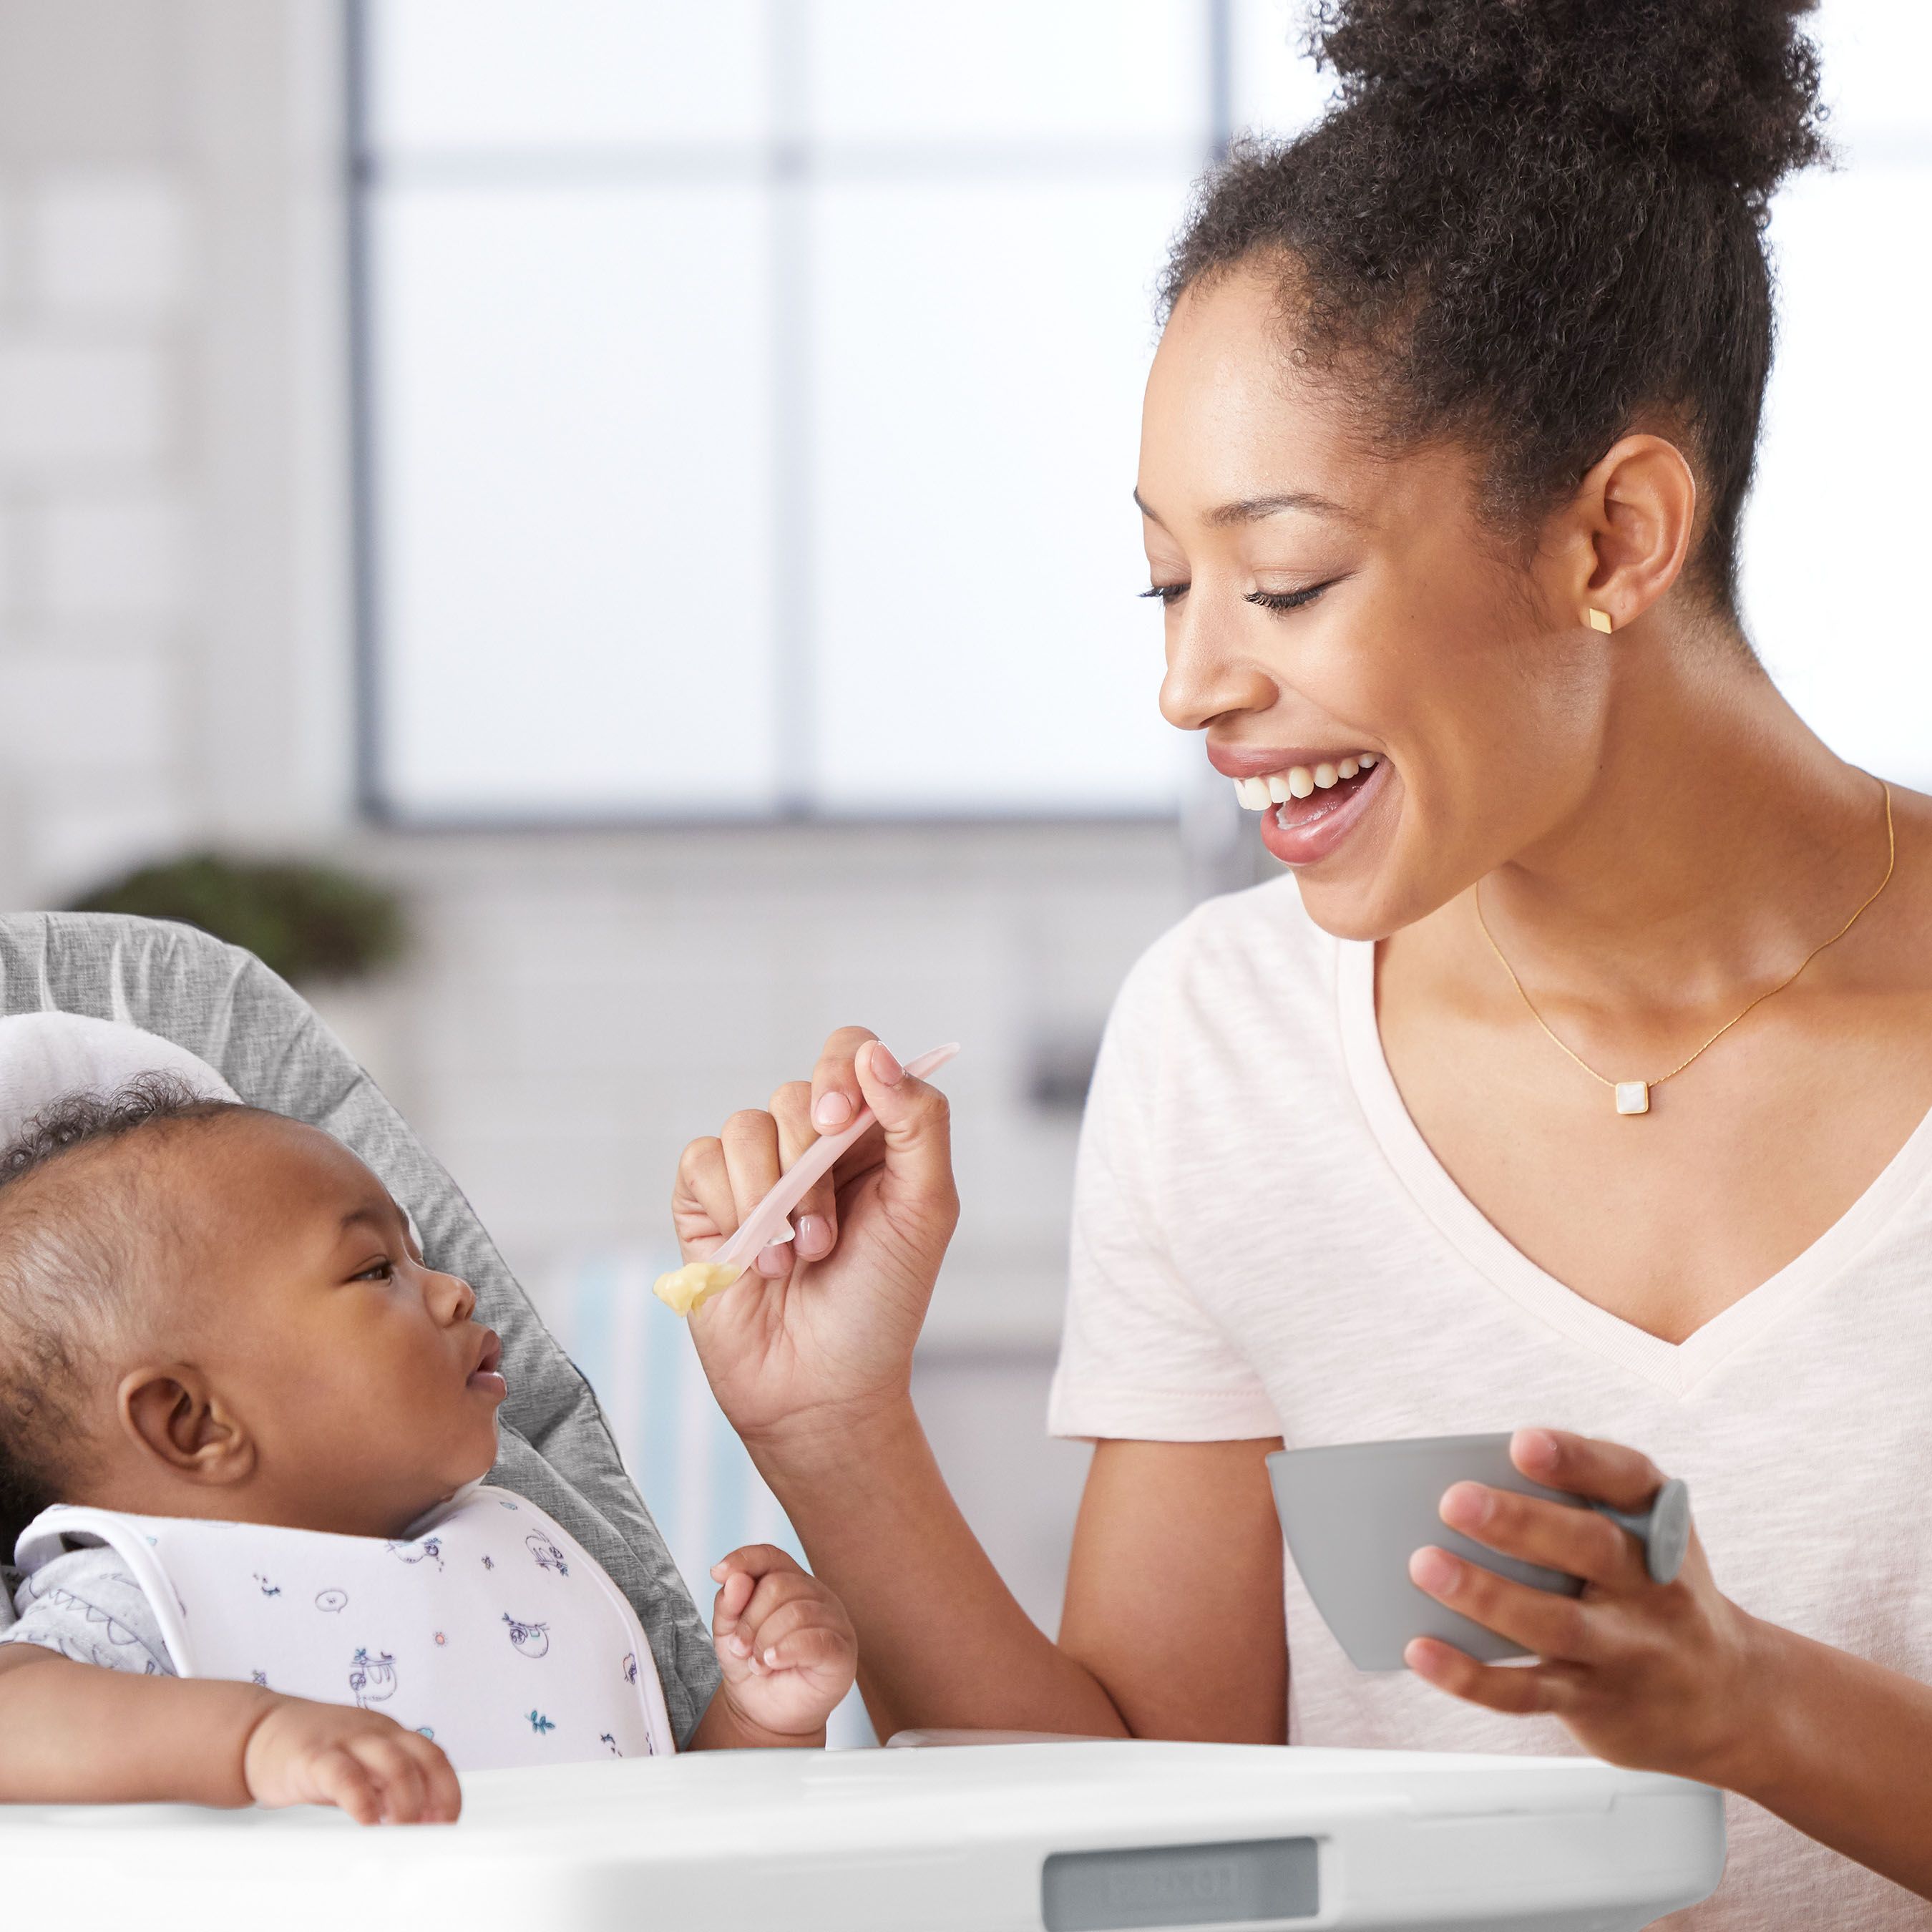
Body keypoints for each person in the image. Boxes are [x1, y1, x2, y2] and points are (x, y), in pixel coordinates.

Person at [665, 1, 1932, 1924]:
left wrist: (1743, 1704)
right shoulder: (1225, 1038)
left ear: (1613, 534)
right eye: (1166, 584)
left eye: (1284, 578)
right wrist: (831, 1426)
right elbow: (1157, 1843)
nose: (1190, 683)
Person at [0, 1079, 856, 1823]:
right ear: (193, 1422)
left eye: (421, 1258)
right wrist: (254, 1739)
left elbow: (667, 1842)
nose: (456, 1290)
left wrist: (759, 1723)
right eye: (377, 1271)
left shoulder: (516, 1560)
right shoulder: (143, 1595)